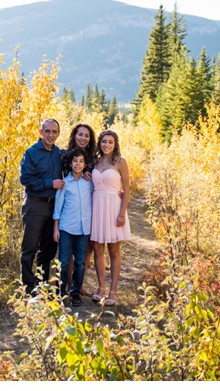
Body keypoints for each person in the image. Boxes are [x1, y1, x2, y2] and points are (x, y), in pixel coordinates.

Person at [19, 118, 64, 295]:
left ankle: (42, 283)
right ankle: (27, 287)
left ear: (58, 134)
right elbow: (26, 180)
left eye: (54, 132)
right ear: (40, 132)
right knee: (30, 247)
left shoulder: (58, 153)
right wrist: (49, 183)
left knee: (48, 248)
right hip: (35, 205)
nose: (51, 135)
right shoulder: (31, 153)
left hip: (53, 207)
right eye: (47, 131)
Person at [89, 129, 131, 306]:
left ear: (115, 144)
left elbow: (127, 189)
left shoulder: (120, 162)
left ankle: (113, 291)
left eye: (110, 142)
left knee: (114, 251)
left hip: (114, 208)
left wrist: (122, 213)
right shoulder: (95, 162)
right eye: (104, 141)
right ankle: (101, 288)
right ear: (99, 143)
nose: (106, 145)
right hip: (97, 207)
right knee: (98, 250)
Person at [52, 147, 94, 307]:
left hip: (84, 229)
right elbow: (58, 207)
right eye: (75, 161)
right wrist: (56, 228)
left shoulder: (88, 183)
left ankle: (76, 292)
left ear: (85, 164)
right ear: (70, 163)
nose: (78, 164)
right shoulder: (65, 183)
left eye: (81, 161)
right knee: (62, 261)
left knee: (80, 262)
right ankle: (61, 293)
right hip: (66, 227)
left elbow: (98, 195)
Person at [60, 124, 97, 296]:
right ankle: (67, 285)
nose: (83, 138)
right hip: (67, 202)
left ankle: (77, 284)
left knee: (84, 251)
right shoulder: (64, 155)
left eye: (86, 135)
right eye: (80, 134)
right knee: (67, 254)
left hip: (87, 208)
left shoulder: (93, 158)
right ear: (74, 136)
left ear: (90, 139)